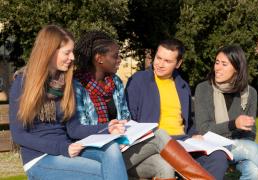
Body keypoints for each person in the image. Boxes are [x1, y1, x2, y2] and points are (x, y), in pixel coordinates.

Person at [73, 31, 214, 180]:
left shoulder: (116, 83)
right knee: (159, 134)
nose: (120, 60)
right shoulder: (77, 86)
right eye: (115, 56)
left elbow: (127, 120)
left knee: (164, 166)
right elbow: (77, 130)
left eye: (167, 60)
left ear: (178, 64)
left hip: (122, 148)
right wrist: (108, 131)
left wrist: (124, 135)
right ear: (99, 59)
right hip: (97, 153)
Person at [9, 25, 128, 180]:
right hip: (39, 158)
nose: (72, 57)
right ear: (50, 52)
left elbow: (74, 129)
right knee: (104, 172)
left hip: (68, 148)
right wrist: (62, 148)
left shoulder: (66, 83)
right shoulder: (23, 82)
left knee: (112, 149)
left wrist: (107, 127)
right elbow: (19, 135)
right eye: (67, 52)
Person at [126, 39, 228, 180]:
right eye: (158, 58)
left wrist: (195, 134)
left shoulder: (182, 85)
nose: (160, 64)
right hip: (155, 142)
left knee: (219, 156)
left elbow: (189, 120)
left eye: (167, 61)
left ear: (178, 64)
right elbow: (130, 119)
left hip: (183, 141)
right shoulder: (139, 80)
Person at [194, 44, 258, 180]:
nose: (218, 68)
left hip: (239, 147)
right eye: (217, 62)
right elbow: (203, 129)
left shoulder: (250, 93)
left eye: (224, 64)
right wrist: (234, 124)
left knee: (253, 169)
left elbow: (251, 132)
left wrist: (241, 144)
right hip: (212, 146)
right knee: (252, 150)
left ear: (237, 69)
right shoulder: (203, 89)